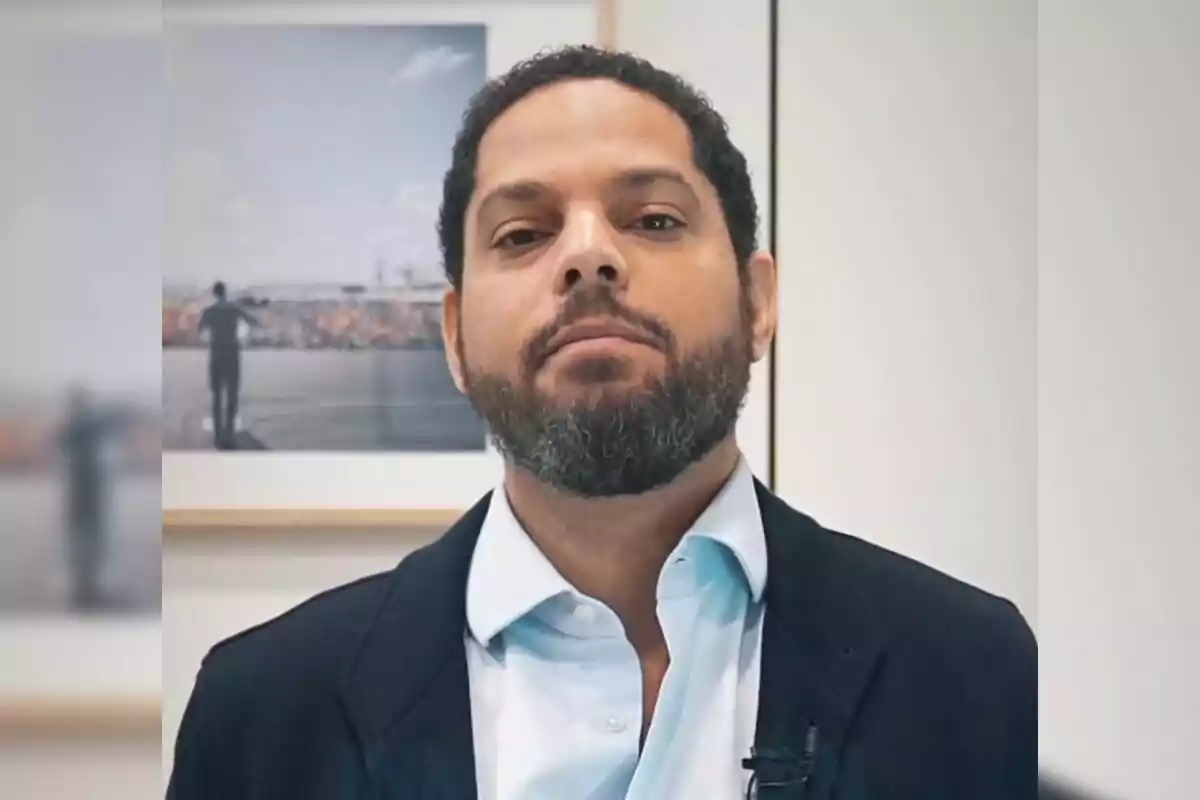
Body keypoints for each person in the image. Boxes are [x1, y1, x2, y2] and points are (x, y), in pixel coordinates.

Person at [168, 46, 1036, 799]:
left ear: (758, 302)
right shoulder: (262, 715)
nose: (589, 255)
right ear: (456, 337)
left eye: (654, 219)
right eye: (521, 233)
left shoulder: (976, 677)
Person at [197, 281, 258, 449]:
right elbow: (253, 321)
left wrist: (211, 338)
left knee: (216, 395)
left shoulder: (209, 311)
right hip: (232, 353)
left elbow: (200, 329)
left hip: (216, 353)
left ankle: (218, 434)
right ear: (225, 292)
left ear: (214, 293)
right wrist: (243, 338)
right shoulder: (234, 309)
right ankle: (229, 433)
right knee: (232, 395)